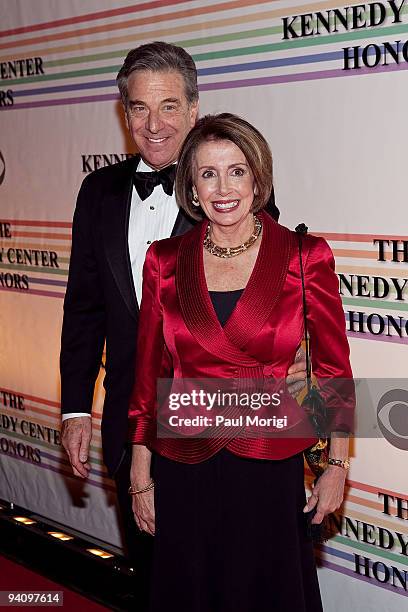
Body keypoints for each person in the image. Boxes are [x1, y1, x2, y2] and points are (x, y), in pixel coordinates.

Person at [59, 42, 305, 603]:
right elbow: (84, 308)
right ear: (124, 114)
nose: (154, 124)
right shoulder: (96, 193)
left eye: (169, 106)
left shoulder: (232, 194)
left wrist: (326, 446)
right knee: (157, 581)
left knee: (233, 580)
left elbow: (273, 317)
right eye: (139, 108)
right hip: (132, 427)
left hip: (228, 430)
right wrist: (76, 407)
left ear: (194, 109)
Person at [129, 113, 353, 612]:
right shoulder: (164, 260)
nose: (223, 187)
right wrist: (141, 475)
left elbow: (336, 369)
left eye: (236, 170)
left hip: (268, 465)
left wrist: (337, 465)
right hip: (184, 465)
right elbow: (149, 378)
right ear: (191, 185)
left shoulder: (303, 255)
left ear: (258, 177)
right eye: (208, 173)